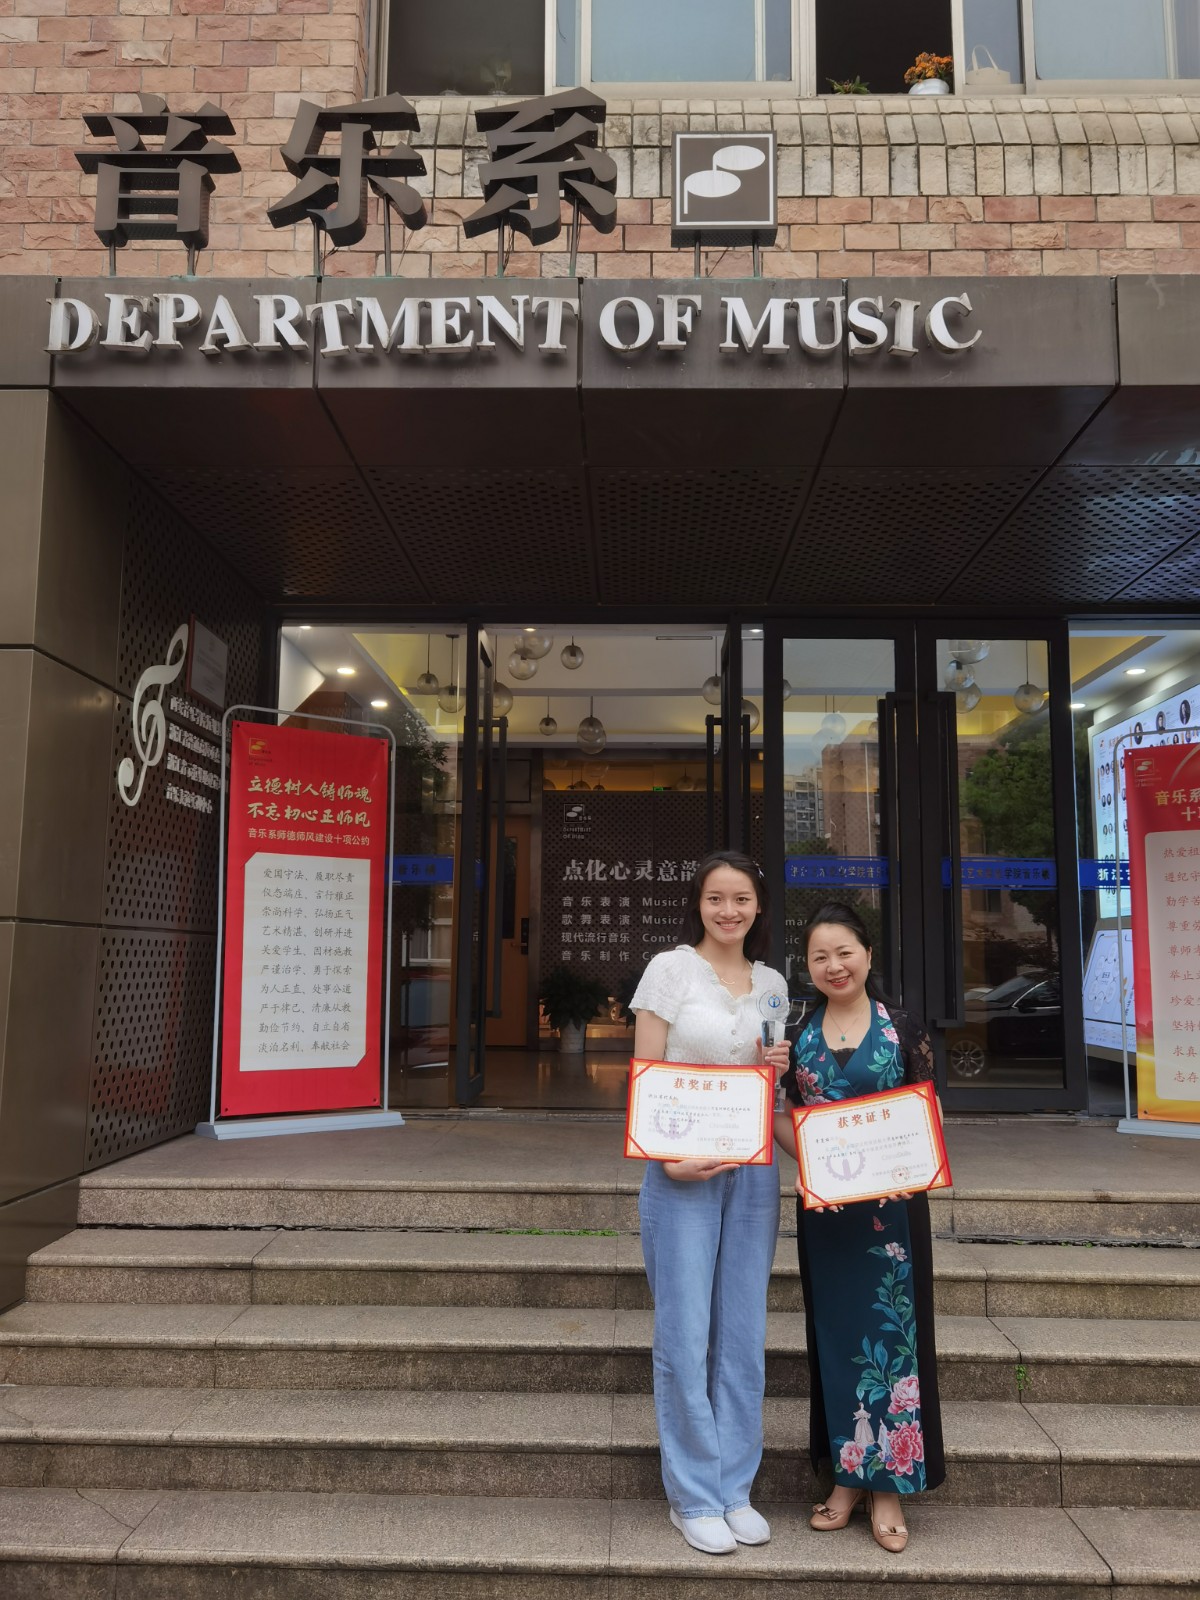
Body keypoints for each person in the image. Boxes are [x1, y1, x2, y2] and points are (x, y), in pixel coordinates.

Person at [629, 850, 792, 1556]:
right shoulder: (670, 971)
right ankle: (693, 1495)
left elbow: (772, 1092)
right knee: (685, 1332)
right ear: (698, 904)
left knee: (742, 1333)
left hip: (752, 1172)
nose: (729, 910)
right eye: (716, 898)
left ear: (759, 907)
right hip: (681, 1169)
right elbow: (645, 1072)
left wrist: (778, 1069)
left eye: (742, 899)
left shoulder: (774, 984)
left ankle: (734, 1488)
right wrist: (668, 1158)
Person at [773, 901, 945, 1554]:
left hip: (893, 1214)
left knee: (895, 1340)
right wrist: (808, 1164)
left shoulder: (902, 1027)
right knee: (836, 1337)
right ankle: (846, 1476)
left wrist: (914, 1169)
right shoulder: (798, 1034)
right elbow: (787, 1119)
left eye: (844, 952)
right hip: (827, 1217)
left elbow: (927, 1111)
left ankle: (889, 1486)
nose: (833, 965)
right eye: (819, 956)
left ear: (868, 955)